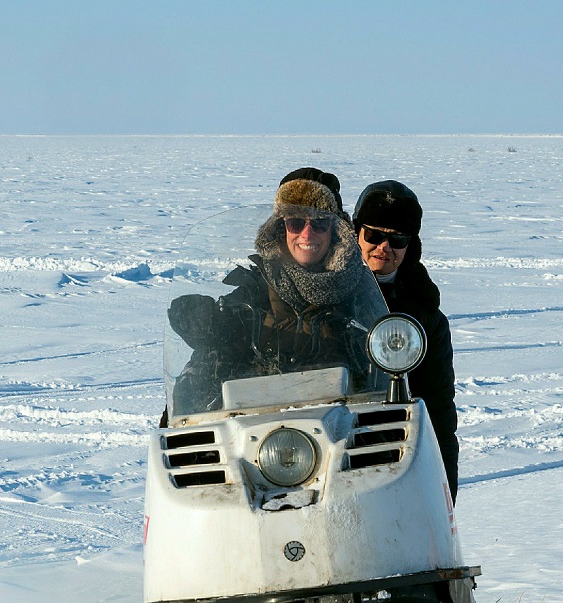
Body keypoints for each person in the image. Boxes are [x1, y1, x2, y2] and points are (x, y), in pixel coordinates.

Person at [168, 168, 388, 415]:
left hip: (343, 426)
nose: (307, 233)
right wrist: (202, 322)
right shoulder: (254, 290)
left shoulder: (360, 292)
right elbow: (213, 357)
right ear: (280, 228)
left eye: (319, 223)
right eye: (295, 222)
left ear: (336, 230)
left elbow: (387, 372)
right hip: (260, 431)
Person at [352, 180, 459, 500]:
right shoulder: (325, 294)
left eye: (397, 239)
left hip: (391, 457)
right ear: (355, 233)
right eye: (373, 234)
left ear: (411, 245)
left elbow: (438, 413)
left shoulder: (425, 317)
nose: (383, 247)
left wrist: (443, 498)